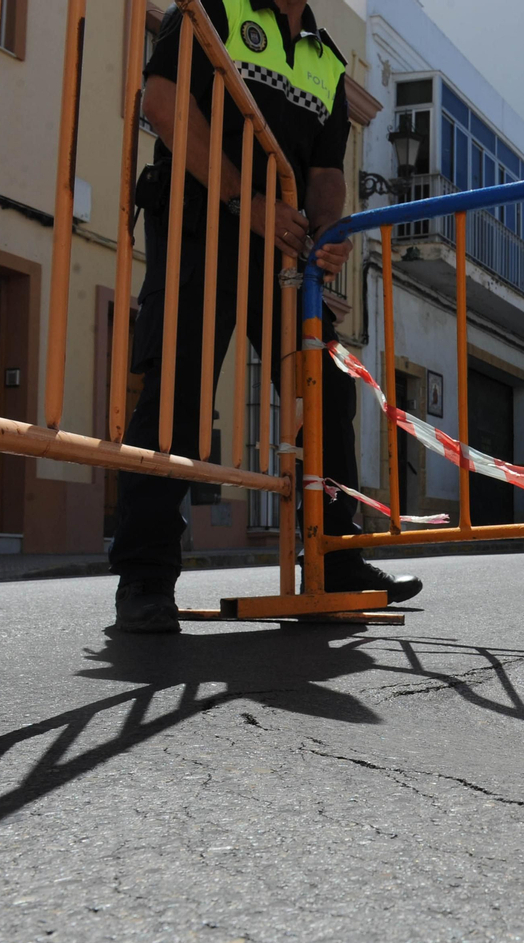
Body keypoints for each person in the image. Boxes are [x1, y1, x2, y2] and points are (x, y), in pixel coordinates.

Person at [110, 0, 421, 633]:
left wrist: (331, 230)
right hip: (197, 231)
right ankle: (145, 576)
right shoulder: (210, 10)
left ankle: (335, 563)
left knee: (327, 391)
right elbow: (163, 104)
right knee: (177, 395)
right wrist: (247, 201)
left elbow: (326, 171)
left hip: (283, 253)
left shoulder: (325, 58)